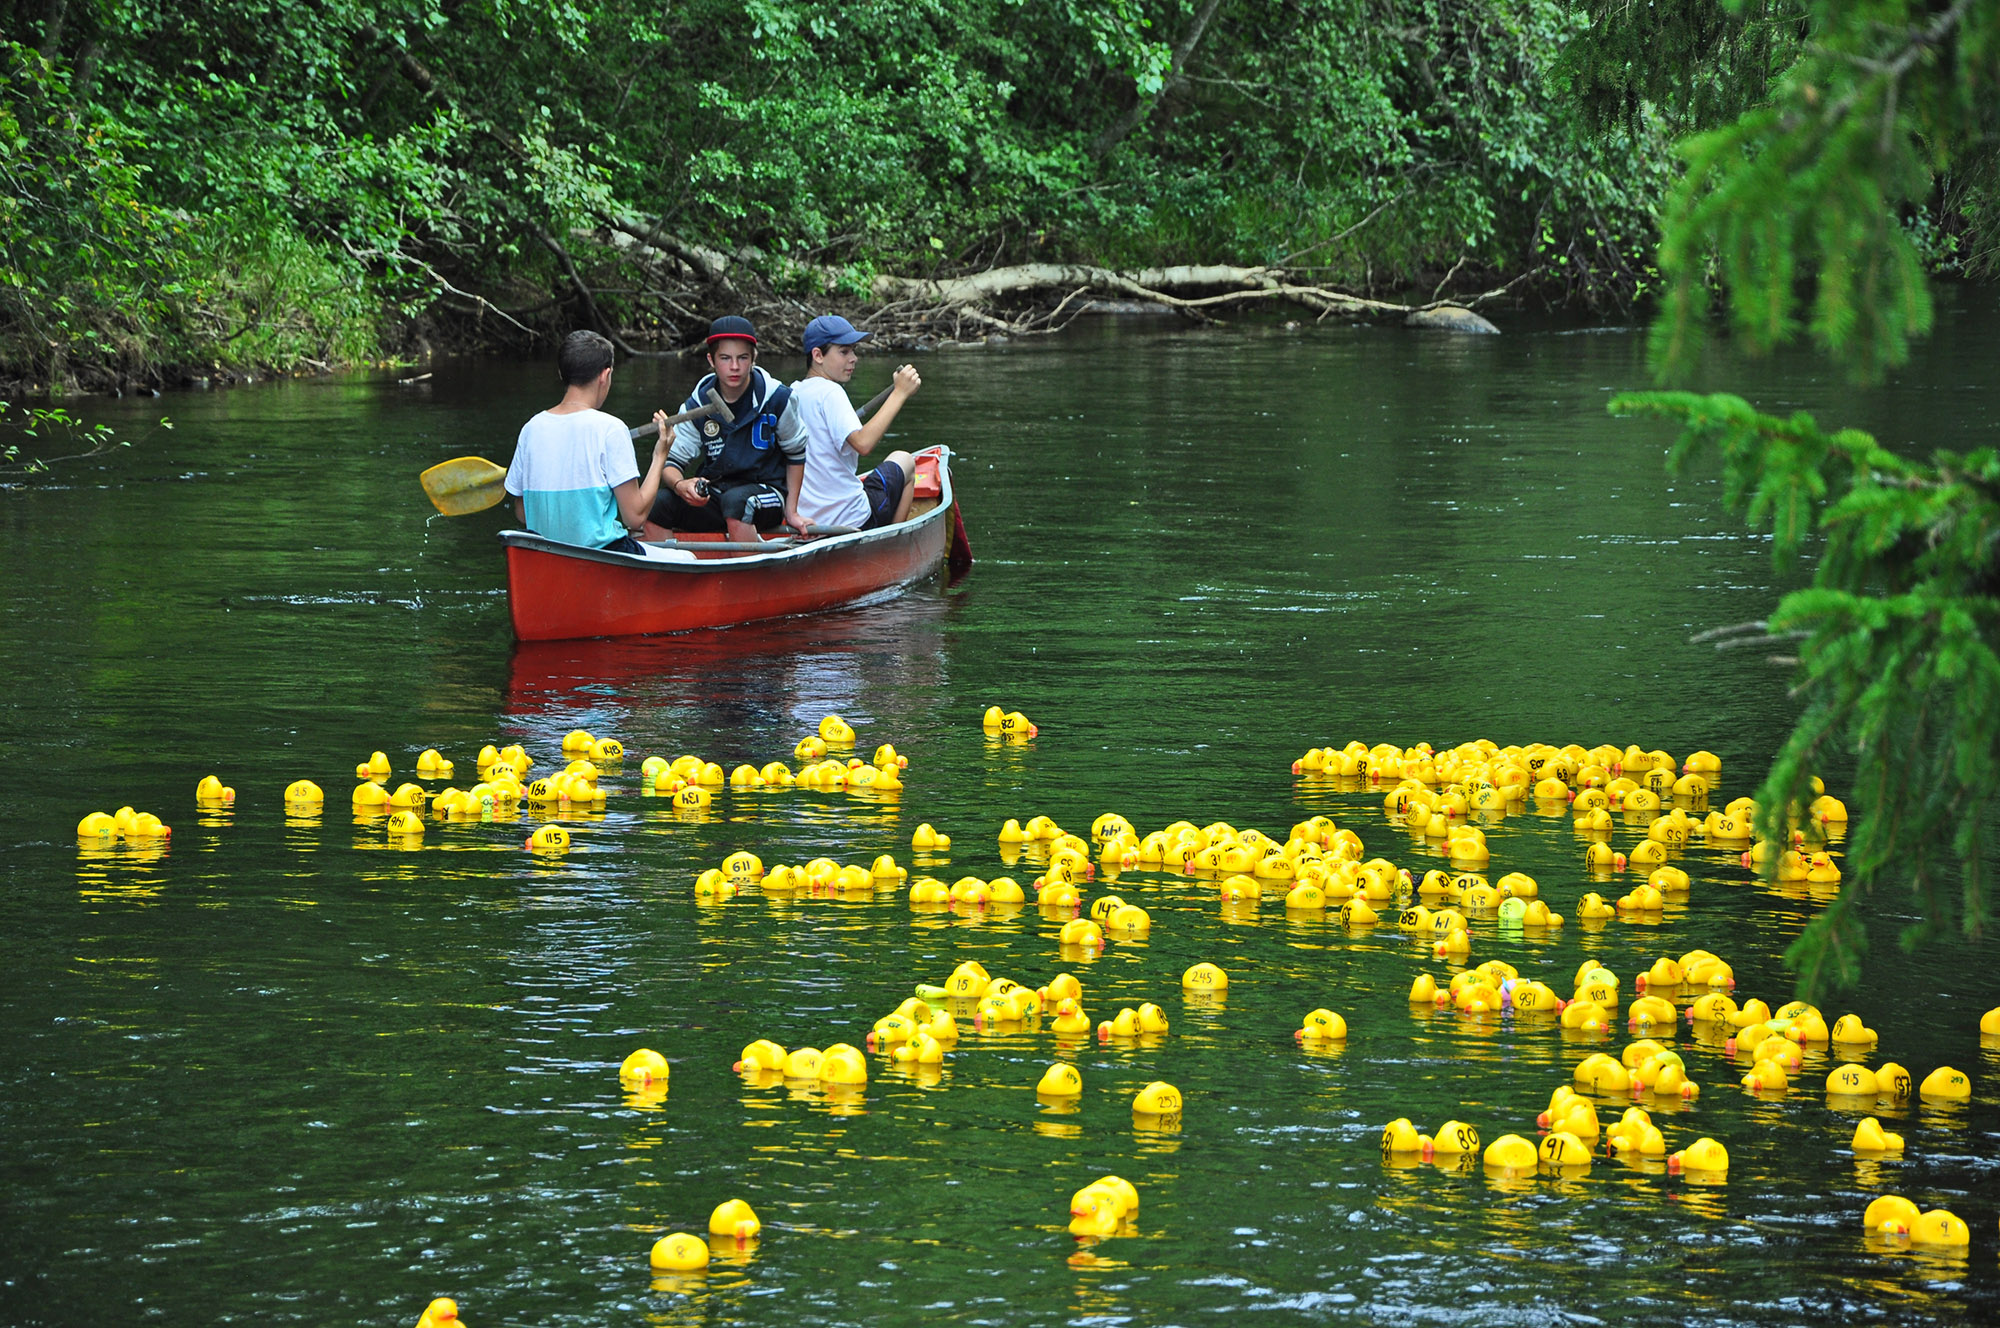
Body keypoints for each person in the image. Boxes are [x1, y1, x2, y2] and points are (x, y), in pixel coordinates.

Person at [506, 330, 670, 553]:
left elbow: (522, 513)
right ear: (605, 375)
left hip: (546, 557)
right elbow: (635, 517)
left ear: (562, 373)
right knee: (688, 557)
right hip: (602, 556)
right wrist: (660, 456)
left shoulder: (531, 429)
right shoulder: (611, 429)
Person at [649, 315, 809, 540]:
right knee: (657, 504)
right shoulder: (696, 405)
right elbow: (672, 462)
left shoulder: (778, 399)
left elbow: (796, 453)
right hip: (717, 494)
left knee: (738, 502)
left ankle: (748, 570)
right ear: (711, 360)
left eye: (742, 358)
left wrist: (791, 512)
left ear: (754, 358)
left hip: (766, 494)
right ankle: (668, 568)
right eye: (725, 358)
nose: (734, 367)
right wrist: (680, 485)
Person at [792, 314, 921, 532]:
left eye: (853, 350)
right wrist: (900, 393)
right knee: (905, 460)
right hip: (853, 520)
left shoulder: (793, 391)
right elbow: (863, 444)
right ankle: (891, 539)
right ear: (818, 355)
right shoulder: (831, 392)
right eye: (844, 352)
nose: (853, 358)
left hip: (807, 521)